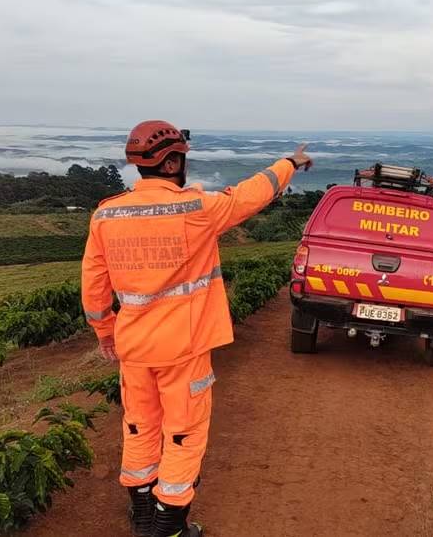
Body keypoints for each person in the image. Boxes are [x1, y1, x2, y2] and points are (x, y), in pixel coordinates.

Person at [81, 121, 312, 537]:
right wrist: (290, 162)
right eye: (182, 157)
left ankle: (141, 517)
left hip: (133, 349)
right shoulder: (196, 209)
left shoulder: (105, 214)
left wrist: (105, 335)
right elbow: (251, 194)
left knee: (139, 428)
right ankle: (169, 528)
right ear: (171, 161)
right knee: (184, 435)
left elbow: (94, 290)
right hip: (183, 349)